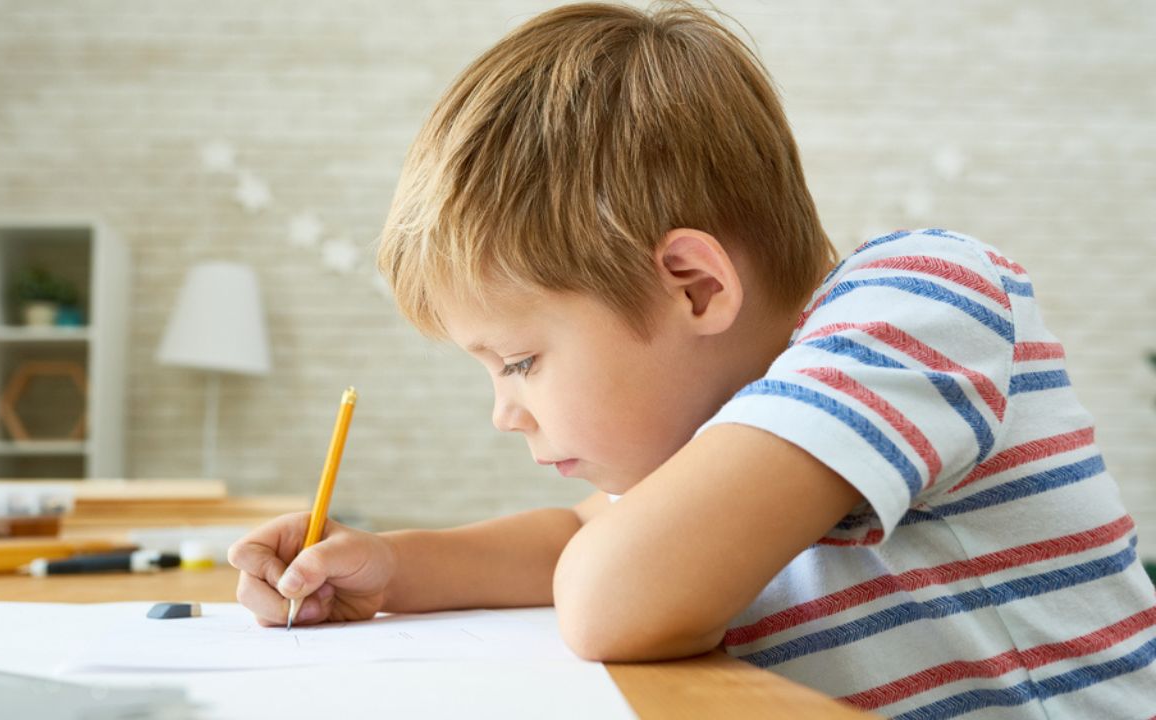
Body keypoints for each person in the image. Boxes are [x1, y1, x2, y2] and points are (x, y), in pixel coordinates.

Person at [228, 3, 1156, 716]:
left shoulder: (921, 300)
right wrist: (389, 567)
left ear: (695, 288)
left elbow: (608, 597)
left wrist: (597, 560)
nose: (506, 412)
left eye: (519, 362)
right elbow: (579, 537)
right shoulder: (717, 431)